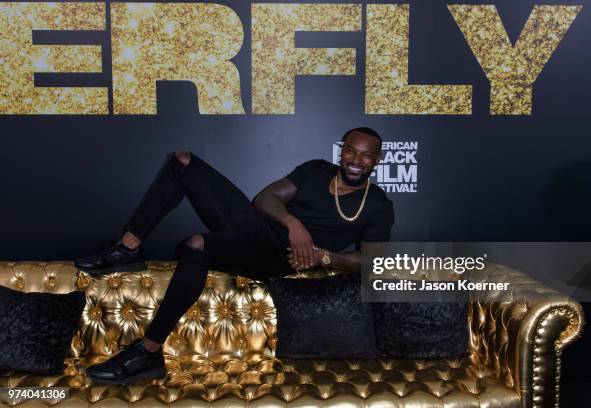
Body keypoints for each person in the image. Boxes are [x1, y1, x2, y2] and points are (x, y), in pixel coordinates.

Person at [77, 127, 395, 384]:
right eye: (351, 151)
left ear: (377, 160)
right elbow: (266, 198)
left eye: (366, 155)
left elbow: (371, 261)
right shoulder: (316, 170)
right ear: (342, 151)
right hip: (254, 224)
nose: (356, 159)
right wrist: (293, 222)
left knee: (197, 244)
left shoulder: (378, 205)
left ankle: (148, 351)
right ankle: (129, 246)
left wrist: (323, 256)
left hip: (271, 255)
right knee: (183, 161)